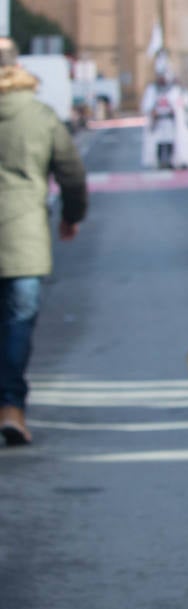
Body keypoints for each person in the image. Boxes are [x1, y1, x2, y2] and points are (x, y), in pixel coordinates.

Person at [0, 53, 87, 446]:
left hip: (23, 236)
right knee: (17, 324)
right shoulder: (40, 115)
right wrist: (71, 215)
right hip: (23, 236)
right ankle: (12, 408)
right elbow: (71, 172)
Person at [140, 67, 188, 170]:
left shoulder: (176, 91)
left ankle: (171, 160)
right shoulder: (153, 90)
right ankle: (161, 161)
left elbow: (181, 105)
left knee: (171, 142)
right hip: (159, 121)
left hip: (172, 121)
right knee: (159, 141)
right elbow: (149, 105)